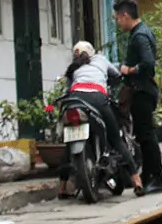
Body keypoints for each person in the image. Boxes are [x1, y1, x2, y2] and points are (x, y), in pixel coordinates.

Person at [57, 41, 143, 198]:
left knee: (69, 142)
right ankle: (137, 181)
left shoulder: (73, 68)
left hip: (75, 101)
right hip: (97, 99)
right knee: (115, 139)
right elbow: (116, 76)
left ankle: (62, 187)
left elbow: (67, 90)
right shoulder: (100, 60)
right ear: (92, 52)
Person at [114, 0, 162, 195]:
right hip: (142, 90)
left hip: (142, 91)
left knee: (147, 136)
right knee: (143, 136)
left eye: (119, 19)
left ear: (126, 16)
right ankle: (147, 176)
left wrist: (129, 70)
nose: (118, 23)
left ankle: (157, 179)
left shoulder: (140, 36)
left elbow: (148, 64)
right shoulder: (141, 32)